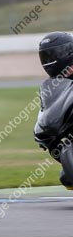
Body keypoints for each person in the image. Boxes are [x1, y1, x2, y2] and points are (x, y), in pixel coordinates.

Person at [36, 31, 73, 188]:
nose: (49, 60)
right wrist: (42, 128)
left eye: (53, 55)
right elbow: (47, 113)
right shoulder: (53, 87)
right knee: (66, 177)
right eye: (45, 57)